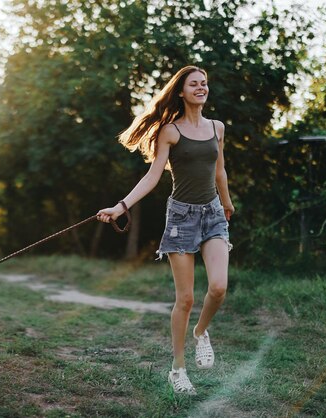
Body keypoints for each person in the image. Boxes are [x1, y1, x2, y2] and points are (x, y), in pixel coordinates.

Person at [96, 65, 234, 395]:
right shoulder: (170, 131)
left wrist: (227, 204)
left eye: (204, 83)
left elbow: (220, 171)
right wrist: (120, 206)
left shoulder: (217, 128)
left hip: (213, 213)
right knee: (184, 299)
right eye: (194, 84)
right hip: (182, 218)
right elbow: (152, 177)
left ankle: (201, 333)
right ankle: (178, 369)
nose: (201, 88)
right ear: (182, 92)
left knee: (218, 287)